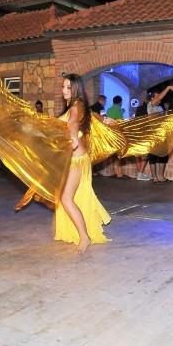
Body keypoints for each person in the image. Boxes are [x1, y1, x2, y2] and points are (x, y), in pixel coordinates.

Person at [54, 74, 111, 251]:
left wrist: (72, 137)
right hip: (77, 159)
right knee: (72, 197)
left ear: (76, 89)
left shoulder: (75, 106)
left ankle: (84, 237)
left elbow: (72, 123)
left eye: (68, 87)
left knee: (66, 198)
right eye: (63, 87)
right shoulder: (79, 105)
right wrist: (105, 119)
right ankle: (77, 232)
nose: (64, 91)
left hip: (76, 160)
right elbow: (91, 116)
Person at [146, 86, 173, 184]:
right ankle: (154, 177)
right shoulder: (150, 105)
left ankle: (161, 176)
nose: (160, 98)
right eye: (157, 96)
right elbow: (159, 98)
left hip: (162, 134)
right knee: (153, 156)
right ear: (152, 98)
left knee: (163, 155)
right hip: (153, 134)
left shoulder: (160, 107)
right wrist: (168, 88)